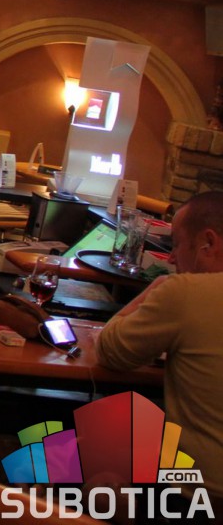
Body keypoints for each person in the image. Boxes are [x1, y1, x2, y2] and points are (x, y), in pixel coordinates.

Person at [97, 191, 223, 510]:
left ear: (208, 243)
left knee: (91, 471)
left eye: (177, 244)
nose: (171, 259)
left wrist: (155, 289)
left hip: (197, 500)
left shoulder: (186, 292)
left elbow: (110, 350)